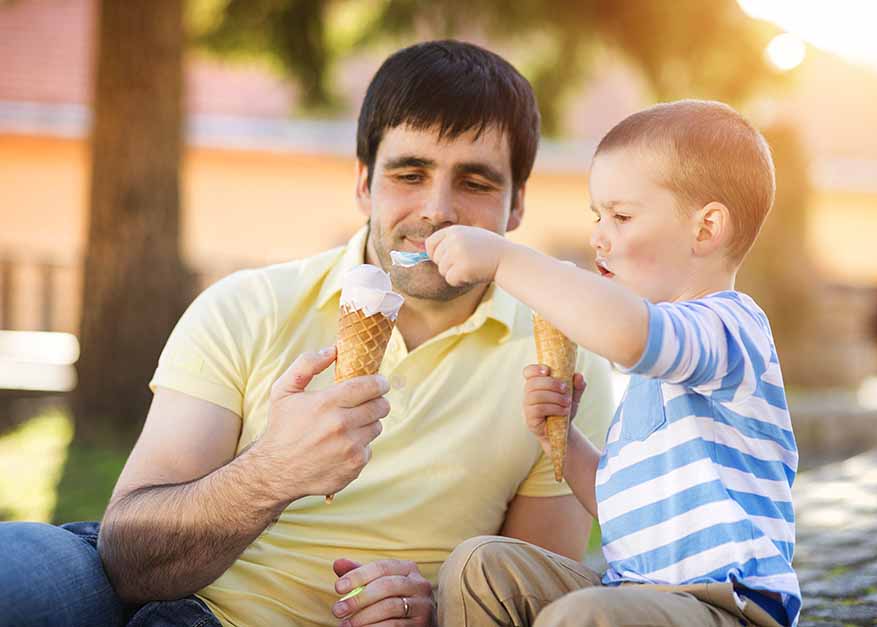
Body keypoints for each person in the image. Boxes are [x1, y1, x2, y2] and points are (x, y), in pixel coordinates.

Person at [0, 40, 614, 627]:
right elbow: (129, 561)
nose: (438, 210)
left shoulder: (560, 357)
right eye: (409, 173)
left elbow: (528, 595)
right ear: (362, 184)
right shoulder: (247, 307)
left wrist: (435, 608)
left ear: (517, 207)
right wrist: (275, 471)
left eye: (475, 183)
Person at [428, 100, 801, 627]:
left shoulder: (731, 327)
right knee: (480, 565)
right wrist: (566, 437)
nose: (598, 235)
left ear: (705, 229)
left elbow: (627, 334)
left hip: (725, 606)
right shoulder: (657, 368)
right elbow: (624, 508)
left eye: (621, 217)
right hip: (635, 591)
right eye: (596, 216)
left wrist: (504, 259)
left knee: (585, 616)